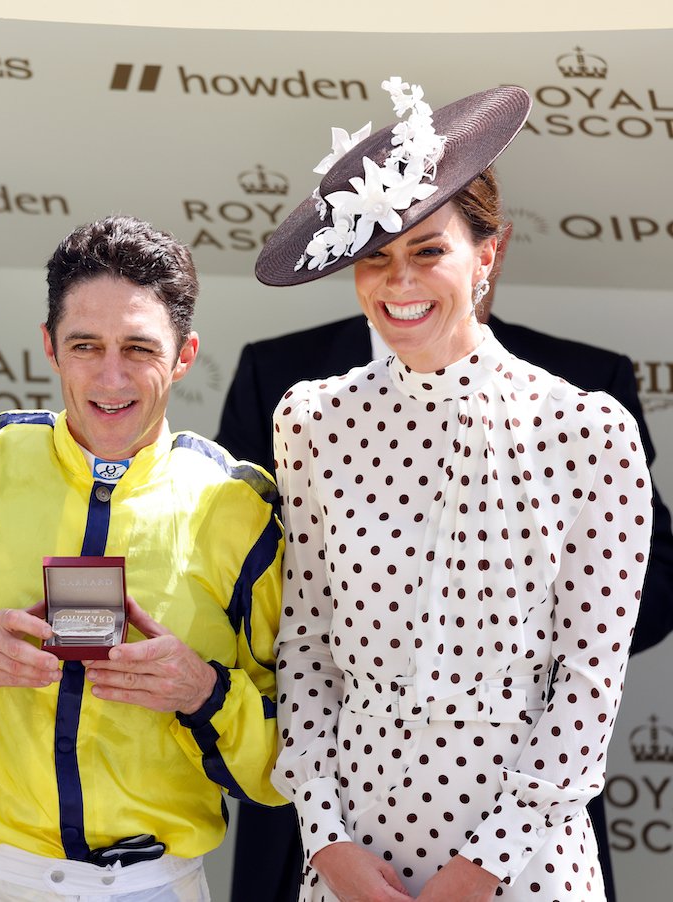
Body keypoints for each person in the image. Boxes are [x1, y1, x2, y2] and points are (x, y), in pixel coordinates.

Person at [254, 78, 653, 901]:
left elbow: (588, 687)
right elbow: (305, 649)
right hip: (353, 858)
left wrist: (479, 872)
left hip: (527, 864)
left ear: (488, 254)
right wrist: (325, 840)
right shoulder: (311, 421)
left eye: (428, 250)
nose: (399, 284)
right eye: (375, 257)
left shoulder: (589, 429)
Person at [0, 215, 286, 901]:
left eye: (139, 348)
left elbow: (293, 766)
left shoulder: (239, 510)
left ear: (185, 354)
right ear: (48, 346)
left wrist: (206, 694)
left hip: (161, 885)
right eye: (85, 345)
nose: (110, 376)